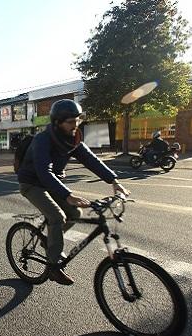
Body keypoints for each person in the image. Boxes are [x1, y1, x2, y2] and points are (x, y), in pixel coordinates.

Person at [17, 99, 129, 285]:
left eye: (78, 120)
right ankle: (53, 267)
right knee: (57, 216)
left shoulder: (73, 140)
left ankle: (51, 242)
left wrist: (114, 181)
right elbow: (44, 172)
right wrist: (68, 195)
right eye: (70, 121)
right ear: (57, 123)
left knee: (75, 213)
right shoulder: (42, 140)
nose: (75, 125)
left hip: (52, 183)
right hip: (32, 184)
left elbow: (91, 160)